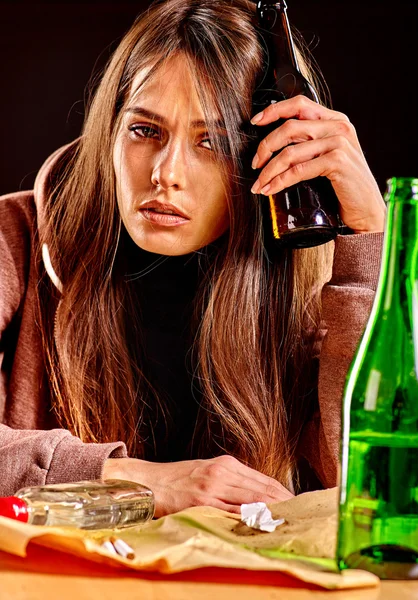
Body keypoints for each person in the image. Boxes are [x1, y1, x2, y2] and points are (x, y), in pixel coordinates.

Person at [0, 0, 386, 518]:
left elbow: (376, 476)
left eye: (213, 142)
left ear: (273, 150)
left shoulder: (312, 291)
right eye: (145, 130)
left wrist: (370, 240)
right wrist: (132, 480)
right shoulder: (15, 238)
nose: (166, 173)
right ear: (109, 130)